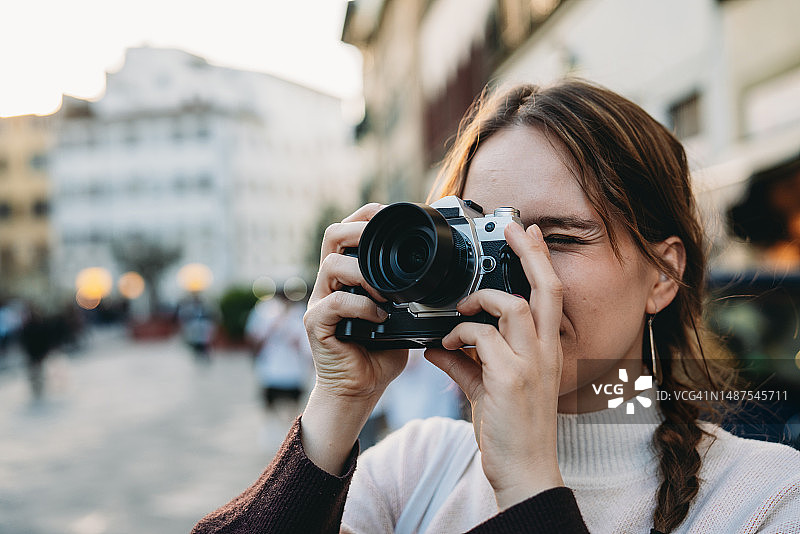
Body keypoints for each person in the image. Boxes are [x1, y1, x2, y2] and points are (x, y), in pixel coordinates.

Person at [192, 79, 800, 533]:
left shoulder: (765, 499)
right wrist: (336, 406)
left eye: (558, 239)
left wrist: (530, 482)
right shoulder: (415, 468)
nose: (517, 276)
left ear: (663, 272)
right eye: (485, 241)